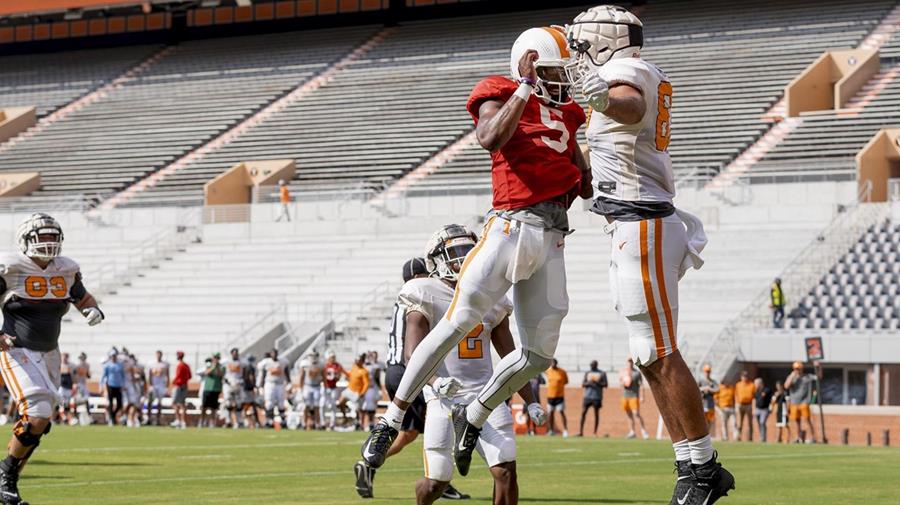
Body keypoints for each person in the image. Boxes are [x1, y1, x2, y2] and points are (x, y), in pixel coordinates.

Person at [361, 25, 591, 473]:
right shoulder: (501, 90)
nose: (564, 82)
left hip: (553, 235)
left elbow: (582, 184)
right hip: (510, 226)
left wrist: (596, 153)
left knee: (539, 354)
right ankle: (389, 421)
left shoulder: (569, 114)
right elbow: (490, 137)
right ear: (528, 64)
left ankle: (479, 413)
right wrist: (525, 87)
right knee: (456, 321)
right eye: (554, 72)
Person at [567, 5, 732, 502]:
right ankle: (688, 463)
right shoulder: (623, 72)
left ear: (604, 41)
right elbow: (594, 173)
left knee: (660, 349)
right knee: (645, 354)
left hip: (644, 223)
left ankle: (704, 470)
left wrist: (594, 92)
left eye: (581, 44)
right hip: (627, 221)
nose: (576, 55)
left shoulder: (626, 71)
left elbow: (630, 104)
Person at [356, 256, 468, 500]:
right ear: (420, 277)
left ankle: (438, 477)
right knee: (431, 422)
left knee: (428, 423)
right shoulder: (421, 295)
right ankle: (435, 478)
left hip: (394, 368)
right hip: (410, 367)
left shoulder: (405, 296)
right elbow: (416, 348)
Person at [785, 362, 817, 443]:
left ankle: (813, 438)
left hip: (804, 402)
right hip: (794, 402)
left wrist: (818, 367)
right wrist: (792, 376)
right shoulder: (792, 377)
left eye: (798, 369)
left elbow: (818, 377)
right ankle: (798, 438)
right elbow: (786, 386)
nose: (797, 370)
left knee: (807, 420)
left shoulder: (806, 377)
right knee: (797, 421)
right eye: (795, 369)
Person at [257, 349, 290, 428]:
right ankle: (269, 421)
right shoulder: (266, 362)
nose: (274, 355)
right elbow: (263, 374)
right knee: (269, 403)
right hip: (270, 384)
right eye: (273, 353)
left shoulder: (283, 361)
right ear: (270, 354)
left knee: (281, 403)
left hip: (280, 384)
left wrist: (289, 381)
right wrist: (261, 385)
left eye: (275, 353)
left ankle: (283, 421)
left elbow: (286, 371)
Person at [339, 354, 370, 430]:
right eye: (356, 360)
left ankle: (358, 423)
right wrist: (343, 371)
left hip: (357, 392)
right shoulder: (354, 367)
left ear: (362, 361)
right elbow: (350, 375)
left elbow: (366, 383)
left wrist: (362, 392)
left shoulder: (364, 371)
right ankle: (345, 417)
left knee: (358, 410)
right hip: (349, 389)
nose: (356, 361)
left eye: (358, 360)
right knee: (340, 402)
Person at [620, 359, 649, 440]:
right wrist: (624, 383)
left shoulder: (636, 373)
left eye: (631, 362)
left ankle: (644, 431)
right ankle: (632, 432)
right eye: (628, 362)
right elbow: (621, 383)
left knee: (636, 414)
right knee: (629, 415)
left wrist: (642, 396)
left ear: (633, 363)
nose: (629, 363)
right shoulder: (623, 372)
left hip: (634, 396)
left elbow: (641, 385)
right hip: (625, 396)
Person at [579, 360, 607, 437]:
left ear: (596, 365)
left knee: (596, 414)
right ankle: (581, 432)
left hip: (597, 397)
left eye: (593, 365)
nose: (592, 366)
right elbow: (583, 384)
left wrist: (597, 382)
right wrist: (589, 383)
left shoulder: (602, 373)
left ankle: (595, 432)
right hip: (587, 396)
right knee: (583, 412)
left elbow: (605, 384)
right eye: (591, 365)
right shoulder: (587, 373)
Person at [322, 350, 348, 430]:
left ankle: (332, 423)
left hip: (333, 387)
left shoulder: (337, 365)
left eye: (334, 357)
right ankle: (323, 422)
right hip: (325, 387)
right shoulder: (325, 365)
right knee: (322, 405)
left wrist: (339, 376)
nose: (333, 359)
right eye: (331, 357)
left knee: (333, 405)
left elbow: (343, 373)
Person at [298, 351, 323, 431]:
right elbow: (301, 377)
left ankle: (317, 424)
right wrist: (300, 389)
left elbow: (324, 376)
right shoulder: (305, 364)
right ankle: (304, 423)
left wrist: (325, 388)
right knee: (306, 406)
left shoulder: (321, 364)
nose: (314, 357)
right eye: (312, 355)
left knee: (317, 406)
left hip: (317, 386)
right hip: (307, 386)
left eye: (315, 356)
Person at [362, 351, 386, 431]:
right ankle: (369, 423)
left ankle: (371, 423)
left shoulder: (379, 364)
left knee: (373, 406)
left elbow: (384, 369)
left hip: (375, 387)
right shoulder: (366, 365)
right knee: (369, 407)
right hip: (368, 388)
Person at [223, 348, 246, 429]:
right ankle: (228, 421)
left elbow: (245, 372)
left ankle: (239, 421)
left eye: (236, 353)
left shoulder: (242, 362)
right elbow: (222, 372)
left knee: (239, 403)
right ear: (231, 354)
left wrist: (242, 381)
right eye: (234, 353)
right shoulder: (226, 361)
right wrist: (226, 380)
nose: (235, 354)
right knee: (228, 403)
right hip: (228, 384)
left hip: (238, 383)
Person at [546, 359, 569, 437]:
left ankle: (565, 430)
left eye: (554, 363)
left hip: (559, 396)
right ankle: (551, 430)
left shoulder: (562, 371)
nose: (553, 364)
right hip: (550, 396)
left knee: (561, 412)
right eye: (551, 363)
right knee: (550, 413)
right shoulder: (548, 371)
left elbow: (566, 381)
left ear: (556, 363)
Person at [200, 354, 225, 428]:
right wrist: (213, 366)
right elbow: (206, 373)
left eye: (217, 358)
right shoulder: (209, 365)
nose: (216, 359)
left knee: (213, 408)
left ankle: (212, 422)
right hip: (207, 388)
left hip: (216, 389)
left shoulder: (221, 367)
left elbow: (220, 374)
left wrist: (216, 367)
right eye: (215, 358)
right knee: (204, 406)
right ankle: (202, 421)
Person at [101, 350, 125, 426]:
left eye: (115, 356)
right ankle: (112, 419)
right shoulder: (108, 365)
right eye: (112, 356)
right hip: (110, 385)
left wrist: (123, 385)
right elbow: (103, 376)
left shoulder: (120, 365)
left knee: (119, 404)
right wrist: (101, 386)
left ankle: (113, 415)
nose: (114, 357)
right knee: (110, 403)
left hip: (118, 386)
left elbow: (122, 376)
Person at [147, 350, 170, 426]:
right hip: (154, 385)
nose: (158, 356)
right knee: (150, 402)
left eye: (159, 355)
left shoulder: (165, 364)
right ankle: (149, 418)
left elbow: (167, 375)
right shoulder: (151, 364)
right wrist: (150, 385)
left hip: (161, 385)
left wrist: (167, 386)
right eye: (157, 355)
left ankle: (158, 419)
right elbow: (150, 375)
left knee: (159, 403)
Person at [124, 354, 147, 428]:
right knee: (133, 405)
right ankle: (130, 419)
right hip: (131, 389)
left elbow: (142, 379)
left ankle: (133, 419)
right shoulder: (127, 368)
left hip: (137, 388)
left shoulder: (138, 367)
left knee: (136, 405)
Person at [697, 365, 719, 439]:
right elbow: (696, 388)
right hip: (703, 403)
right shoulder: (701, 381)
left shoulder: (713, 381)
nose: (707, 373)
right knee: (703, 421)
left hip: (710, 404)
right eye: (706, 371)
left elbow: (717, 389)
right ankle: (702, 435)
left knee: (709, 421)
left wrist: (709, 389)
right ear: (704, 372)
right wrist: (703, 389)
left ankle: (707, 435)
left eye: (708, 371)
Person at [171, 350, 191, 429]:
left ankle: (178, 420)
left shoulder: (180, 365)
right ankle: (183, 422)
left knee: (174, 403)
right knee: (182, 404)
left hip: (178, 386)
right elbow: (190, 376)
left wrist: (173, 383)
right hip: (185, 386)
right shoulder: (186, 365)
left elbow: (178, 376)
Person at [735, 371, 756, 442]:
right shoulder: (738, 385)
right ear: (741, 377)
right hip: (740, 404)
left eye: (746, 376)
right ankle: (739, 436)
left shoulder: (752, 385)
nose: (745, 377)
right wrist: (737, 405)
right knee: (740, 422)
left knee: (750, 422)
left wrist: (753, 407)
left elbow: (754, 397)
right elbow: (736, 395)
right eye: (743, 376)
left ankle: (750, 437)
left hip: (749, 405)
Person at [72, 353, 92, 425]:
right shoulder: (77, 365)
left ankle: (89, 417)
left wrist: (86, 371)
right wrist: (75, 383)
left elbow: (88, 376)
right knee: (76, 401)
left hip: (84, 384)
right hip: (79, 385)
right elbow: (74, 374)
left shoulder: (87, 365)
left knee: (86, 401)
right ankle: (75, 418)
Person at [241, 355, 260, 428]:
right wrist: (254, 386)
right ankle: (249, 421)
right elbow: (251, 377)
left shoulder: (245, 367)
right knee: (250, 405)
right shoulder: (250, 368)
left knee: (248, 405)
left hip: (245, 388)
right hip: (249, 388)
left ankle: (249, 421)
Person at [57, 353, 75, 425]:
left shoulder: (70, 365)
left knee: (67, 404)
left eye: (65, 357)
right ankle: (64, 417)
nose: (64, 359)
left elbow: (73, 375)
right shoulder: (59, 365)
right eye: (63, 357)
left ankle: (67, 419)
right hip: (62, 387)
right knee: (62, 403)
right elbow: (61, 371)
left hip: (68, 387)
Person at [754, 378, 773, 443]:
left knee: (762, 422)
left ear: (760, 383)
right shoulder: (756, 391)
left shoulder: (766, 389)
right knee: (759, 423)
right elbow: (755, 400)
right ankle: (761, 436)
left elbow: (764, 396)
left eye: (756, 383)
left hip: (764, 409)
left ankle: (763, 438)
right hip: (757, 409)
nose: (755, 385)